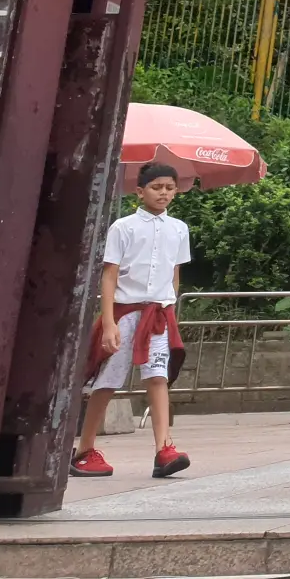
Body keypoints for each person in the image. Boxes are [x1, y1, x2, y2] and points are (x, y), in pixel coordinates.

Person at [70, 161, 193, 480]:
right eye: (156, 187)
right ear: (140, 191)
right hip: (125, 313)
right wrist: (108, 322)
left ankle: (165, 448)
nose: (163, 193)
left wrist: (170, 309)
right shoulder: (123, 227)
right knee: (108, 380)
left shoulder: (179, 229)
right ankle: (84, 449)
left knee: (157, 377)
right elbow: (109, 275)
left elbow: (175, 274)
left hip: (159, 315)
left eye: (169, 188)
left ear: (176, 190)